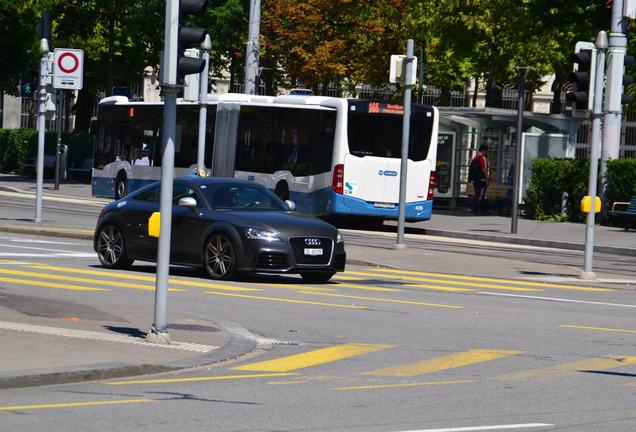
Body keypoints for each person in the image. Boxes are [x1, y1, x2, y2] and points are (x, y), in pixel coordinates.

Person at [470, 144, 489, 214]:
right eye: (486, 151)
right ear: (484, 150)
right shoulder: (482, 158)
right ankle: (476, 209)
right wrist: (487, 180)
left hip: (475, 180)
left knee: (478, 194)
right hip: (481, 180)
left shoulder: (476, 157)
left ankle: (482, 210)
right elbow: (484, 169)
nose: (487, 153)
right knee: (480, 195)